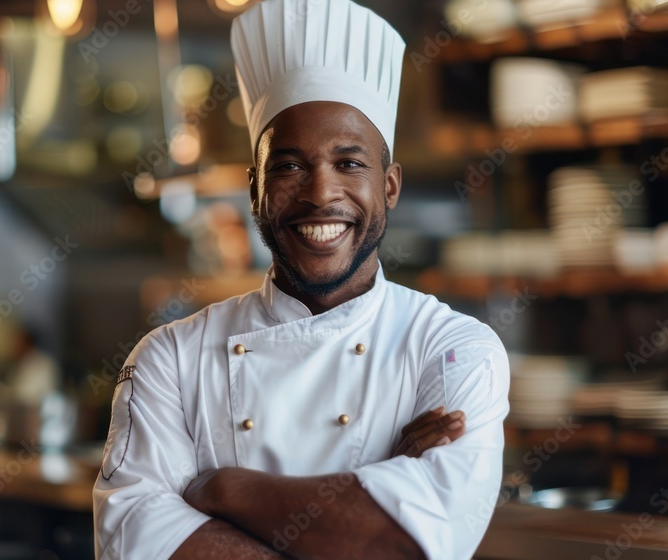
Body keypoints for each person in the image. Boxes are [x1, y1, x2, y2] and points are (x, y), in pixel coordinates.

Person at [93, 0, 510, 558]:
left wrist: (222, 487)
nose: (320, 194)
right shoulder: (169, 358)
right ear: (254, 189)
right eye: (288, 166)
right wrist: (383, 484)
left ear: (389, 186)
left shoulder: (456, 349)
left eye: (349, 163)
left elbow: (410, 544)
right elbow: (132, 543)